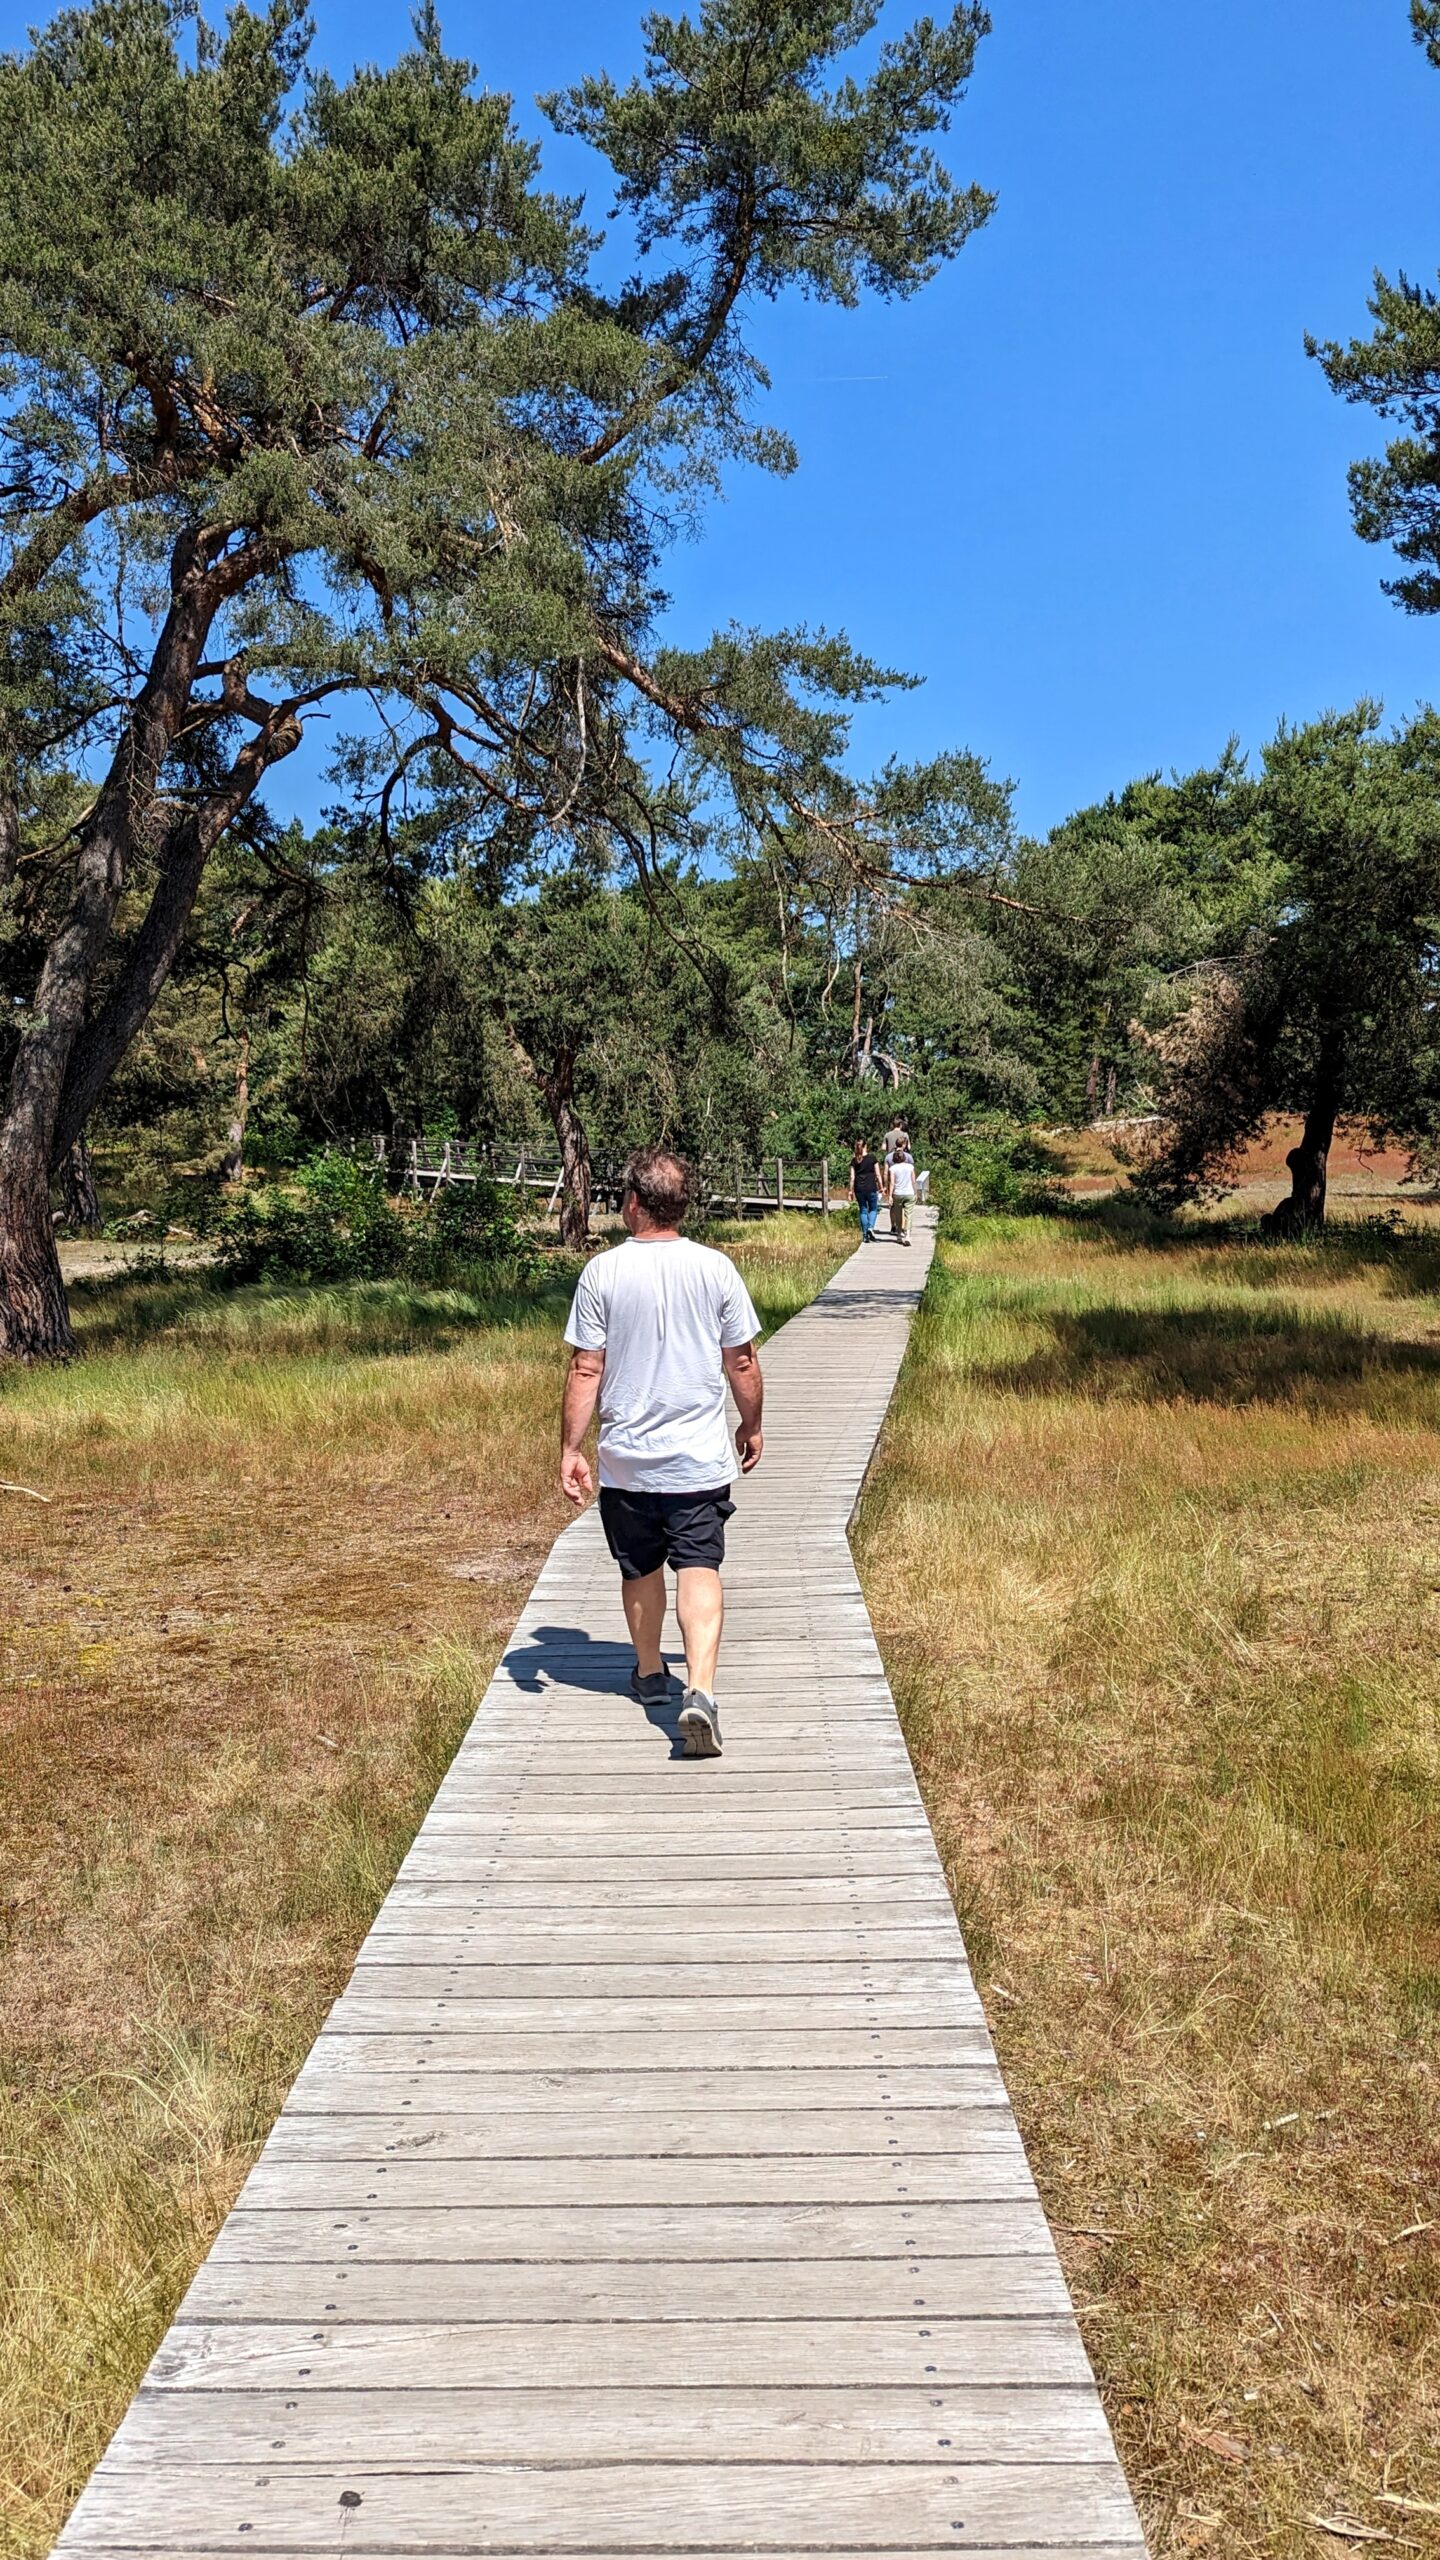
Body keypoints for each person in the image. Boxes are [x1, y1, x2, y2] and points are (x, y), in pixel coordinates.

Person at [559, 1145, 763, 1758]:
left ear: (633, 1202)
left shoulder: (603, 1272)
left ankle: (651, 1674)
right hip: (698, 1459)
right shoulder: (717, 1269)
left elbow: (585, 1369)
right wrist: (751, 1425)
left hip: (627, 1459)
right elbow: (743, 1360)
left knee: (640, 1568)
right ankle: (699, 1689)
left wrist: (572, 1448)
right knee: (700, 1566)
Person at [847, 1137, 883, 1242]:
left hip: (859, 1188)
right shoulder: (872, 1158)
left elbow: (852, 1177)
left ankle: (865, 1236)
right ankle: (870, 1228)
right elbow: (878, 1174)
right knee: (873, 1209)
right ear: (865, 1146)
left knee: (863, 1210)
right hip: (871, 1186)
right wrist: (881, 1187)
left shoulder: (854, 1161)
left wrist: (850, 1191)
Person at [888, 1141, 918, 1245]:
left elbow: (892, 1183)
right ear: (904, 1158)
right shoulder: (910, 1167)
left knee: (898, 1215)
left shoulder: (892, 1168)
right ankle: (908, 1235)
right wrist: (916, 1192)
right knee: (908, 1214)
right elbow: (914, 1181)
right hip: (909, 1193)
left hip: (898, 1193)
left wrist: (890, 1196)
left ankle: (899, 1235)